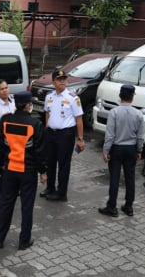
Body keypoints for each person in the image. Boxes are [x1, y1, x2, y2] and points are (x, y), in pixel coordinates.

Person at [0, 91, 47, 250]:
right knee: (27, 206)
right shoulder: (35, 124)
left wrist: (0, 164)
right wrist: (43, 171)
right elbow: (40, 152)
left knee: (5, 204)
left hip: (9, 169)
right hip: (27, 172)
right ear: (28, 105)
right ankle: (24, 241)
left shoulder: (5, 120)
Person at [98, 84, 144, 217]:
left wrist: (106, 150)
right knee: (130, 178)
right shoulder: (138, 114)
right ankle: (129, 206)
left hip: (117, 148)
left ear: (120, 96)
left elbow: (110, 135)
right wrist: (139, 150)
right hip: (131, 149)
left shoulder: (114, 112)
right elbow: (140, 136)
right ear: (132, 97)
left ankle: (112, 206)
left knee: (115, 178)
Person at [40, 68, 85, 202]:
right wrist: (47, 127)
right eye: (59, 80)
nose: (63, 82)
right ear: (53, 81)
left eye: (64, 79)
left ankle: (61, 193)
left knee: (64, 164)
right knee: (50, 162)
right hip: (51, 134)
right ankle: (50, 187)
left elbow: (79, 119)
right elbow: (47, 113)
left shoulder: (72, 98)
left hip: (65, 135)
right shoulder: (49, 96)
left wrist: (81, 139)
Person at [0, 79, 15, 200]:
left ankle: (11, 189)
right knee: (1, 166)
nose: (5, 91)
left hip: (14, 142)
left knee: (12, 166)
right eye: (1, 89)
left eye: (6, 88)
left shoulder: (13, 101)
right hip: (2, 142)